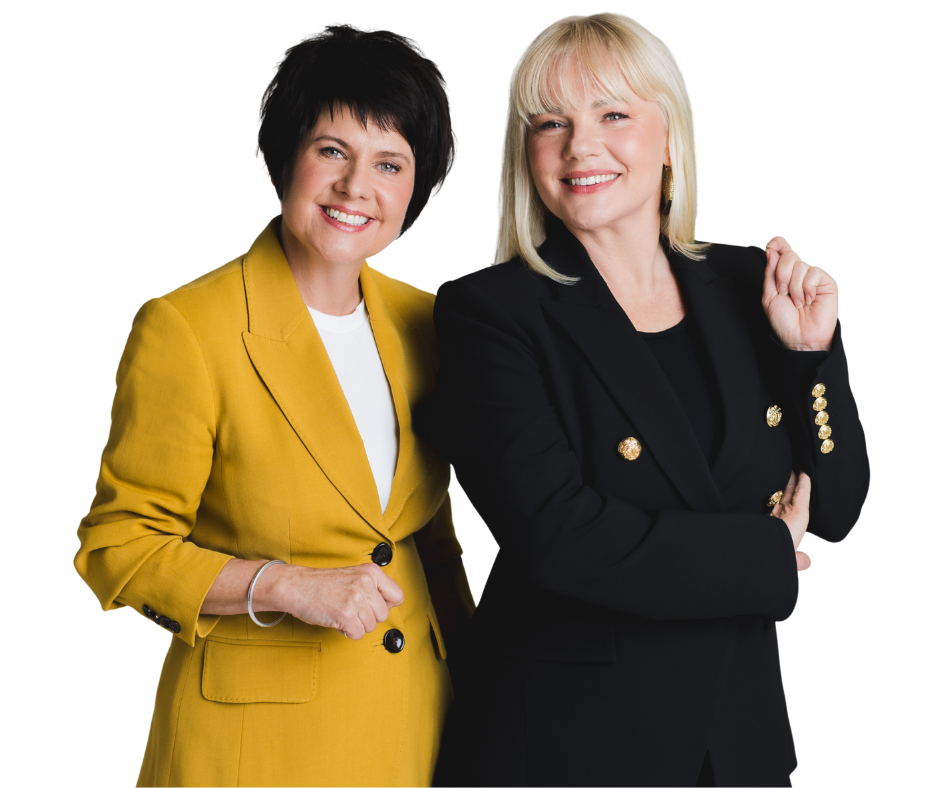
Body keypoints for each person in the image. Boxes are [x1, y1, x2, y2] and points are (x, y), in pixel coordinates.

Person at [413, 12, 868, 788]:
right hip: (572, 747)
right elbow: (561, 539)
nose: (579, 146)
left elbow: (835, 511)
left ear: (669, 137)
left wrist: (808, 359)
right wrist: (762, 553)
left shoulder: (748, 282)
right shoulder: (489, 312)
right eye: (550, 123)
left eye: (613, 114)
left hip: (739, 743)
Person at [73, 24, 475, 788]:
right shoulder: (187, 327)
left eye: (389, 163)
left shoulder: (429, 323)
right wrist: (284, 585)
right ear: (281, 154)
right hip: (255, 750)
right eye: (333, 150)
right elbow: (118, 546)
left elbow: (429, 536)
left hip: (417, 727)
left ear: (415, 189)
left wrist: (484, 687)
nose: (357, 186)